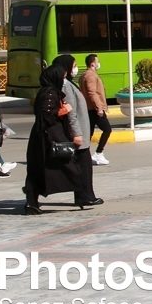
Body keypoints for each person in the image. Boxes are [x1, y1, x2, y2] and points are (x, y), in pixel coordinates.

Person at [24, 62, 101, 214]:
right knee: (60, 168)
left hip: (47, 135)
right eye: (62, 76)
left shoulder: (48, 91)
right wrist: (64, 110)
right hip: (48, 137)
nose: (64, 79)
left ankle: (33, 202)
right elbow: (47, 115)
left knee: (43, 170)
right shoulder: (49, 92)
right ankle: (81, 195)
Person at [79, 54, 112, 164]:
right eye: (97, 61)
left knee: (89, 132)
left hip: (89, 108)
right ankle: (98, 153)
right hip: (94, 108)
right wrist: (99, 108)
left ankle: (83, 155)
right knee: (107, 129)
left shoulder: (85, 75)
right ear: (92, 63)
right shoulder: (90, 76)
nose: (98, 63)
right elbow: (92, 93)